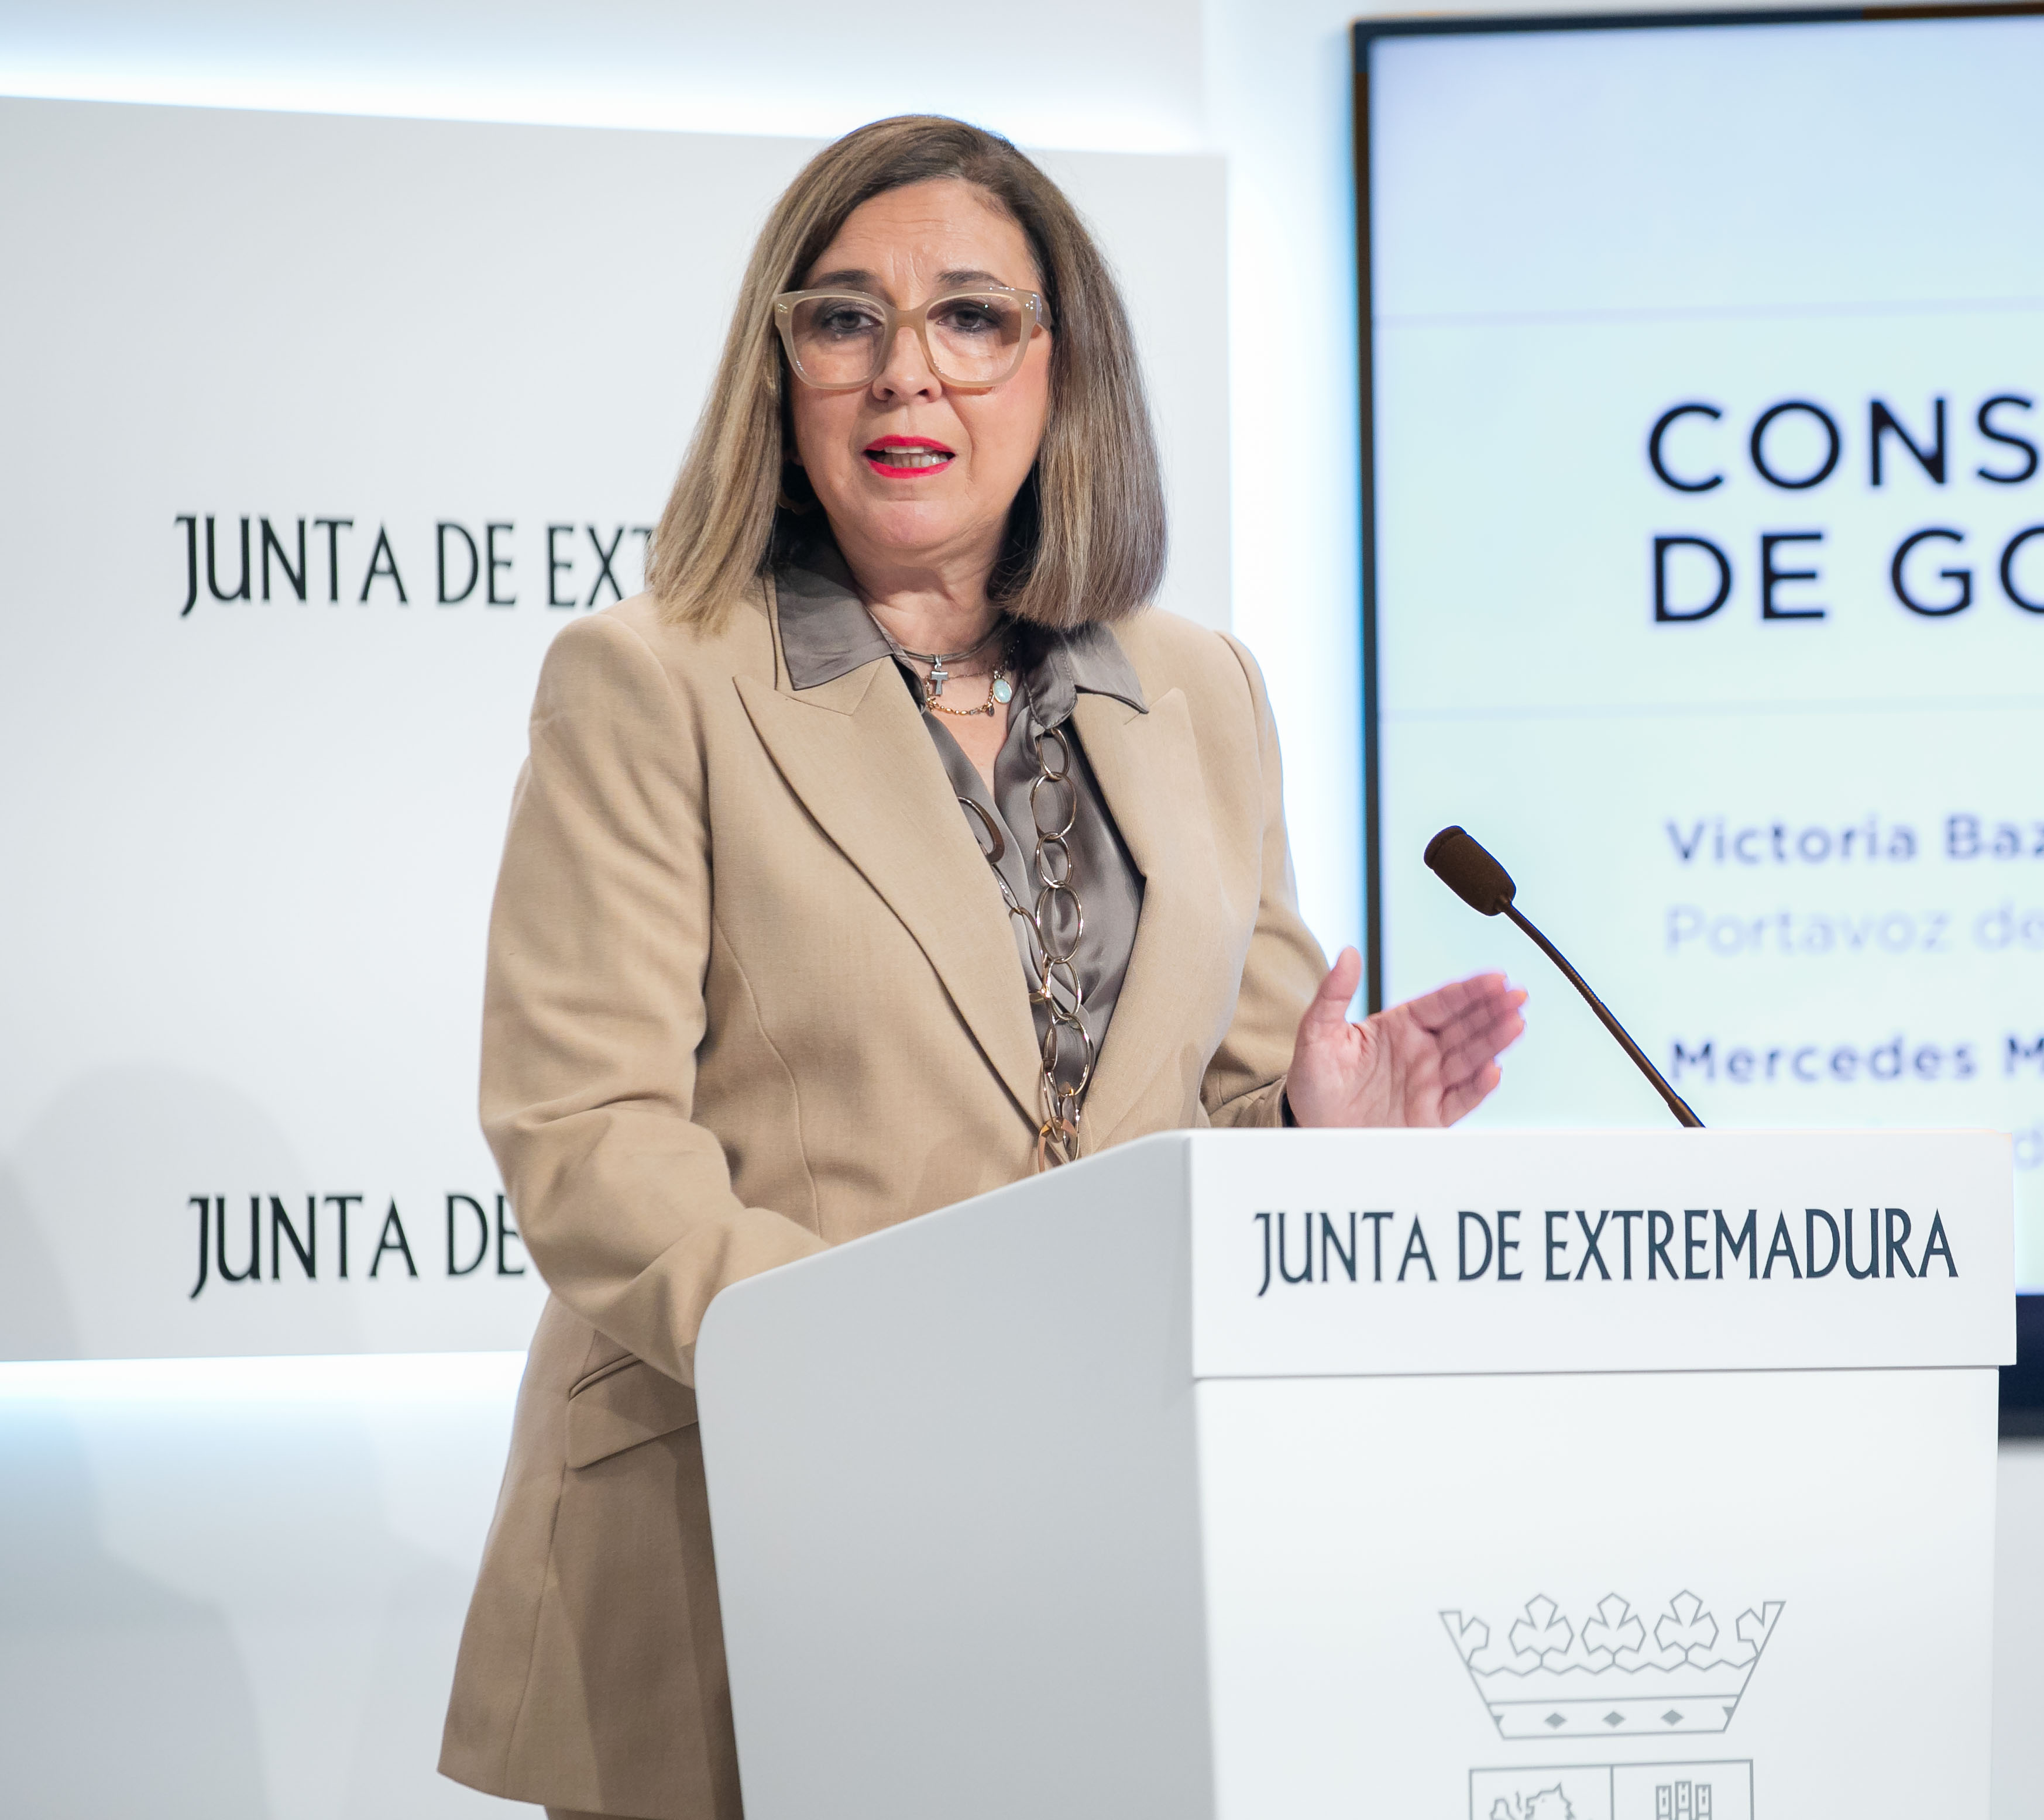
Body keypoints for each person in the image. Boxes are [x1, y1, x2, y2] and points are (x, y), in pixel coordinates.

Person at [437, 115, 1526, 1820]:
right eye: (844, 320)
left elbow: (1190, 1121)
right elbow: (588, 1131)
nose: (904, 380)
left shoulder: (1200, 691)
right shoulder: (653, 680)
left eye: (971, 318)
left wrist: (1310, 1136)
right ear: (780, 367)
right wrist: (869, 1374)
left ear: (1060, 368)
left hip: (1106, 1541)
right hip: (751, 1529)